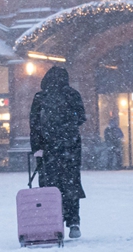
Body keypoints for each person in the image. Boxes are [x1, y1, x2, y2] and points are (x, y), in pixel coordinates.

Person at [30, 67, 87, 240]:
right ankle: (73, 222)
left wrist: (37, 149)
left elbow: (34, 125)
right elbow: (81, 118)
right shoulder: (72, 94)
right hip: (70, 149)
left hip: (48, 149)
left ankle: (52, 221)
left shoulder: (40, 97)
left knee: (49, 185)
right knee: (70, 185)